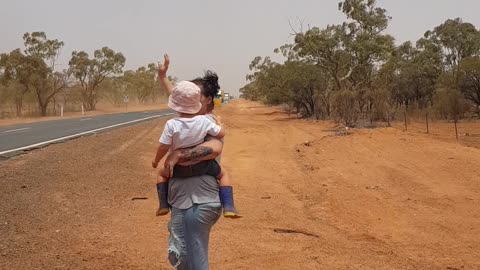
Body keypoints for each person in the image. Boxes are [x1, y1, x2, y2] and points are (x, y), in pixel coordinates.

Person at [155, 54, 239, 269]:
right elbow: (175, 95)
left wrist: (178, 155)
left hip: (195, 202)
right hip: (186, 201)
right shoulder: (188, 120)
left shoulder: (207, 122)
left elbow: (214, 148)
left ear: (207, 99)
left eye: (194, 95)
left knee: (192, 261)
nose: (187, 99)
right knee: (185, 259)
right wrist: (162, 76)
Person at [151, 80, 240, 218]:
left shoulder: (171, 124)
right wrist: (220, 124)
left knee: (161, 174)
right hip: (203, 166)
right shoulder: (204, 121)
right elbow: (220, 134)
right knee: (223, 174)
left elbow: (163, 146)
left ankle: (163, 205)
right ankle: (229, 206)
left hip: (177, 168)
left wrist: (156, 161)